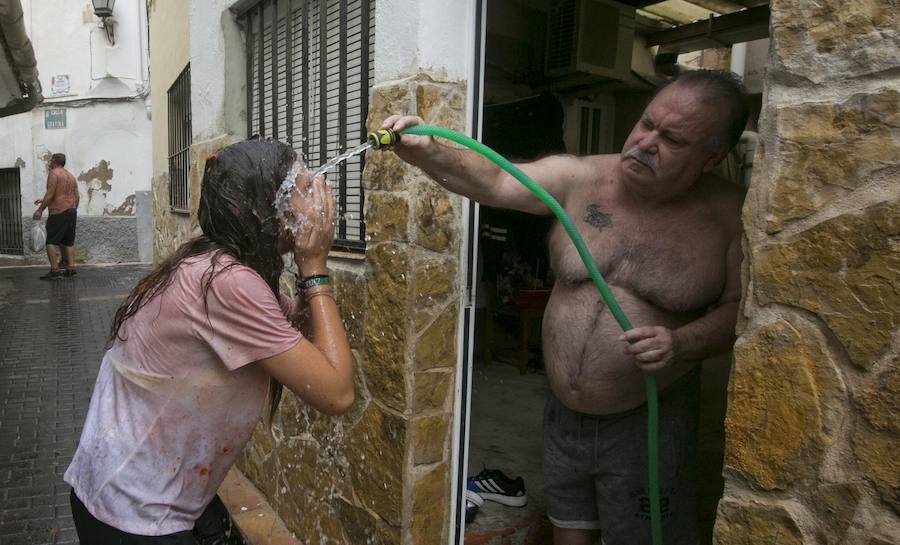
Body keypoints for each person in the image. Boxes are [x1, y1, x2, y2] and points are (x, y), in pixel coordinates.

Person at [382, 69, 748, 545]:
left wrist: (681, 343)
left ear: (711, 157)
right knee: (568, 532)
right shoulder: (583, 178)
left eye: (672, 139)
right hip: (562, 416)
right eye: (646, 123)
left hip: (647, 422)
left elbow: (742, 312)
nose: (644, 142)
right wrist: (429, 152)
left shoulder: (732, 216)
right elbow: (493, 181)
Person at [63, 140, 354, 544]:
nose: (313, 203)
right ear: (263, 207)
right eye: (300, 190)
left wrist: (309, 270)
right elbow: (336, 393)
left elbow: (300, 333)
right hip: (131, 512)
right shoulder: (225, 282)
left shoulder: (214, 265)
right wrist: (314, 264)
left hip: (128, 492)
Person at [32, 152, 79, 279]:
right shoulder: (71, 176)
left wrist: (40, 210)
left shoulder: (54, 173)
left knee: (51, 240)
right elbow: (76, 196)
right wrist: (72, 209)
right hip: (72, 210)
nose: (49, 162)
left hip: (58, 211)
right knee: (68, 241)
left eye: (51, 160)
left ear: (54, 161)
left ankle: (55, 270)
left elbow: (51, 193)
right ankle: (71, 268)